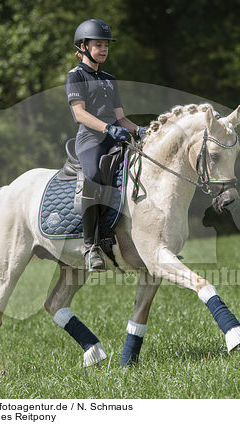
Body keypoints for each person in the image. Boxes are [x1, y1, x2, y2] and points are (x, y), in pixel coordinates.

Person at [65, 19, 147, 271]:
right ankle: (90, 246)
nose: (103, 49)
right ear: (82, 46)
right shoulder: (75, 76)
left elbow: (120, 117)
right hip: (91, 140)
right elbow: (79, 114)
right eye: (98, 45)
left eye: (106, 46)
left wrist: (141, 130)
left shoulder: (110, 79)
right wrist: (107, 127)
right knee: (93, 175)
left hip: (116, 137)